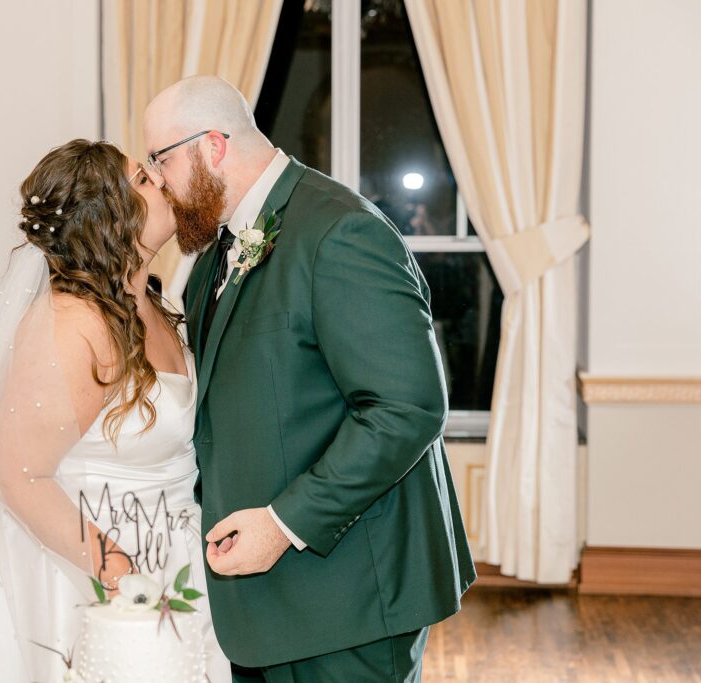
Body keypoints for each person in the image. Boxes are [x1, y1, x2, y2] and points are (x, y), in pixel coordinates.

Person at [143, 76, 477, 682]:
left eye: (161, 160)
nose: (159, 180)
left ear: (213, 146)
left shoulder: (341, 231)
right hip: (260, 604)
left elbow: (407, 407)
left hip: (347, 599)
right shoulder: (217, 250)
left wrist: (282, 523)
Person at [0, 139, 232, 682]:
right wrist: (117, 571)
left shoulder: (156, 305)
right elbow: (15, 476)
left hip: (174, 555)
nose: (160, 180)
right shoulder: (72, 322)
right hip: (86, 573)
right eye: (143, 180)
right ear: (109, 216)